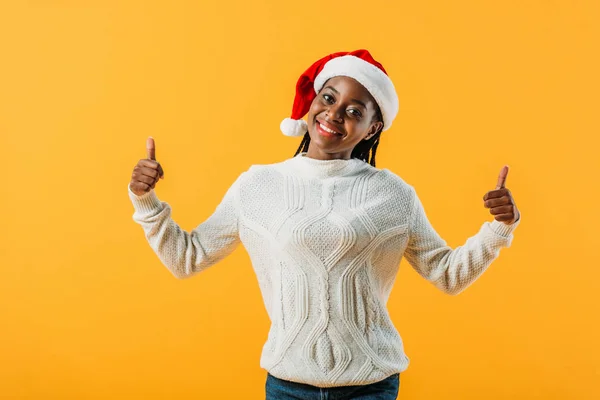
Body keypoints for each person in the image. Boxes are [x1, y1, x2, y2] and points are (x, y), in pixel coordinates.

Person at [128, 49, 521, 400]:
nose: (334, 114)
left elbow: (446, 274)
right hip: (287, 384)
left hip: (371, 384)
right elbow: (187, 259)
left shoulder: (394, 195)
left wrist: (499, 229)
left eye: (354, 110)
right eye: (328, 98)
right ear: (312, 103)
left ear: (372, 128)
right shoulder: (258, 185)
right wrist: (146, 201)